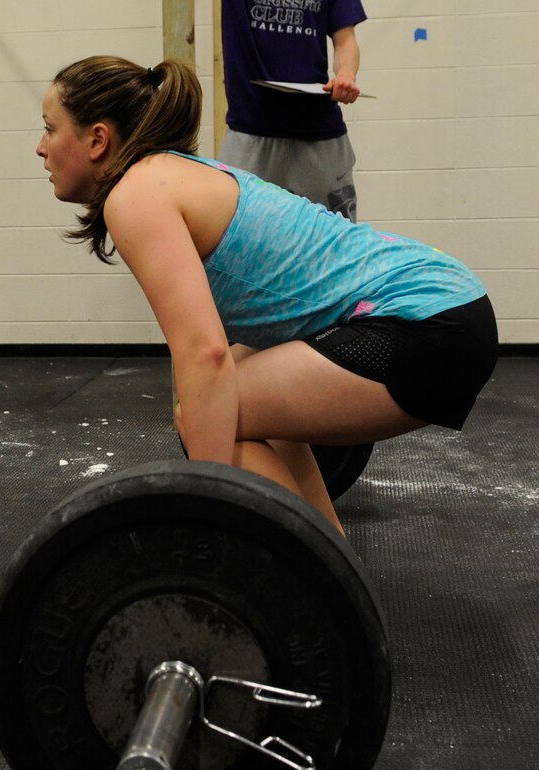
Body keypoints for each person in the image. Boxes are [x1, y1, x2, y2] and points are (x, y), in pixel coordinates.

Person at [36, 56, 498, 537]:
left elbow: (203, 355)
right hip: (450, 306)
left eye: (50, 128)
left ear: (97, 139)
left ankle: (309, 576)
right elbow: (225, 356)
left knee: (204, 413)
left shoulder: (135, 195)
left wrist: (207, 515)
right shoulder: (171, 174)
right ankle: (330, 565)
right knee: (244, 397)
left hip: (424, 322)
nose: (41, 147)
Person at [218, 0, 367, 221]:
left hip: (319, 136)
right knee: (235, 242)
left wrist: (346, 74)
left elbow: (345, 40)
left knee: (335, 244)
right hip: (250, 136)